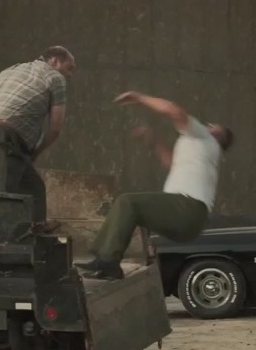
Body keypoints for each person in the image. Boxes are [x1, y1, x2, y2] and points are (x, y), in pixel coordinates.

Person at [74, 91, 234, 280]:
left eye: (212, 126)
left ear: (217, 134)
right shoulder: (203, 150)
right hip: (188, 220)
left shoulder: (204, 137)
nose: (208, 126)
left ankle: (108, 262)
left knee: (128, 202)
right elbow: (171, 163)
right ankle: (106, 259)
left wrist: (139, 97)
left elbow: (173, 110)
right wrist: (153, 139)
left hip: (187, 208)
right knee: (133, 212)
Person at [0, 46, 76, 224]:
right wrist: (36, 152)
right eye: (69, 68)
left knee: (34, 190)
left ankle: (34, 236)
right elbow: (55, 128)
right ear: (55, 61)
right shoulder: (56, 77)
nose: (70, 75)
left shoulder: (10, 71)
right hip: (4, 139)